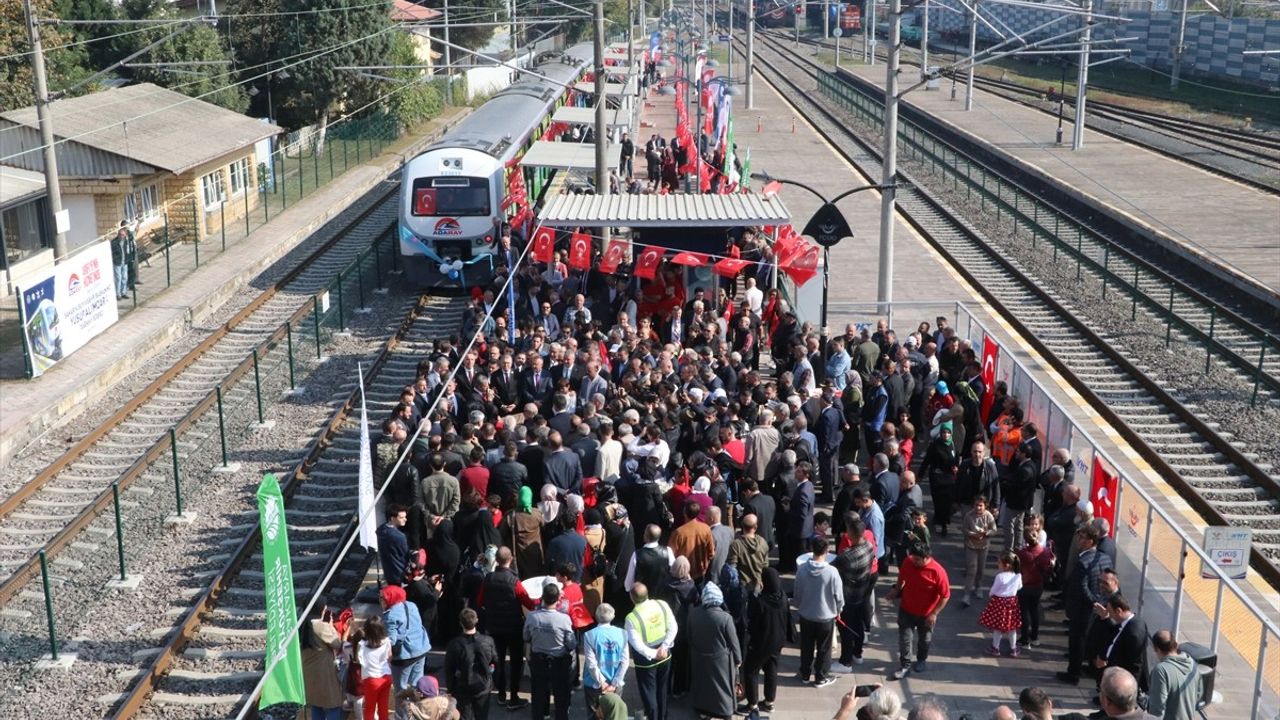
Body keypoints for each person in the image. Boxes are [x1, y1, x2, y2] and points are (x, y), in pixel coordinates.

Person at [1059, 525, 1114, 686]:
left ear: (1091, 541)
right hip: (1100, 607)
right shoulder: (1105, 558)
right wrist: (1102, 601)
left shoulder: (1082, 562)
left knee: (1077, 640)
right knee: (1092, 640)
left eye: (1082, 537)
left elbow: (1081, 587)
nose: (1079, 540)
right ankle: (1090, 668)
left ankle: (1073, 673)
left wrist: (1093, 601)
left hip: (1083, 608)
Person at [477, 547, 531, 709]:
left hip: (494, 627)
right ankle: (513, 696)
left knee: (498, 660)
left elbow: (480, 601)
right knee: (515, 663)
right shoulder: (515, 581)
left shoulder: (488, 579)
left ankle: (500, 694)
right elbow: (527, 601)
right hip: (513, 627)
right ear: (511, 559)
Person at [890, 541, 950, 680]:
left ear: (926, 557)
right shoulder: (908, 562)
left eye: (917, 559)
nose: (914, 562)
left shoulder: (937, 572)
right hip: (906, 609)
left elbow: (945, 596)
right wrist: (896, 590)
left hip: (926, 615)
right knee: (905, 639)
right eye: (913, 558)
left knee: (924, 639)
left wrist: (934, 613)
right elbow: (901, 577)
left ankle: (921, 659)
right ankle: (905, 665)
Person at [793, 536, 843, 688]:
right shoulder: (832, 572)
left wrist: (800, 605)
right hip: (826, 616)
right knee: (824, 649)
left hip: (806, 614)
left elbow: (797, 593)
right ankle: (821, 677)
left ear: (812, 550)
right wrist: (839, 610)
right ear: (827, 551)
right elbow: (839, 596)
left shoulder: (802, 570)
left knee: (806, 646)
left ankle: (805, 673)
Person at [688, 583, 742, 719]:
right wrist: (738, 660)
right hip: (721, 660)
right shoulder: (725, 618)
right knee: (723, 687)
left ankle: (702, 708)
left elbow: (689, 636)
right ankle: (725, 710)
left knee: (703, 685)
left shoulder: (693, 614)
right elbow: (733, 642)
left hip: (699, 657)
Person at [741, 567, 790, 715]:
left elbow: (753, 622)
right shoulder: (783, 598)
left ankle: (752, 704)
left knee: (751, 670)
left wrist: (755, 595)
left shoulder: (761, 602)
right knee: (771, 669)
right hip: (778, 641)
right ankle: (769, 702)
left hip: (762, 643)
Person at [625, 582, 678, 720]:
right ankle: (663, 717)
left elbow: (637, 644)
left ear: (632, 598)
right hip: (665, 655)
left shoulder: (631, 618)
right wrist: (664, 647)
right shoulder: (662, 604)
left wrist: (654, 654)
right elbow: (673, 627)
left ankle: (653, 717)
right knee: (662, 689)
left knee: (649, 692)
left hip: (646, 661)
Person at [524, 581, 576, 720]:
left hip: (538, 662)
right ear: (558, 598)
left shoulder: (532, 616)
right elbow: (571, 644)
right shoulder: (564, 619)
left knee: (538, 698)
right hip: (559, 663)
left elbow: (526, 636)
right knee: (561, 699)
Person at [831, 517, 874, 672]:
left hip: (847, 597)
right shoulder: (869, 546)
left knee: (846, 629)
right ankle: (858, 654)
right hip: (861, 594)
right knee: (858, 625)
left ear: (852, 535)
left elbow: (830, 568)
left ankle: (845, 661)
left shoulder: (846, 556)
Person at [444, 608, 498, 720]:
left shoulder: (454, 644)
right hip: (483, 686)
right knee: (482, 715)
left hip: (462, 687)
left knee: (464, 716)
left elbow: (449, 669)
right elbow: (495, 660)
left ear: (460, 623)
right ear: (477, 620)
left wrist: (450, 689)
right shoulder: (488, 641)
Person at [383, 585, 432, 693]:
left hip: (404, 655)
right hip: (421, 648)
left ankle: (402, 710)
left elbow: (392, 640)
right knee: (417, 685)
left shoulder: (390, 615)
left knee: (401, 689)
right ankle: (416, 708)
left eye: (382, 598)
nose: (380, 600)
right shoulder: (411, 605)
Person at [581, 603, 629, 711]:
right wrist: (614, 683)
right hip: (615, 683)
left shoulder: (589, 635)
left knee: (594, 715)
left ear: (596, 616)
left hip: (594, 683)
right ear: (613, 616)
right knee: (613, 714)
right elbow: (625, 662)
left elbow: (591, 664)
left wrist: (602, 682)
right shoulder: (623, 634)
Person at [978, 551, 1023, 657]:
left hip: (999, 603)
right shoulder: (1018, 575)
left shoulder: (1000, 576)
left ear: (1006, 565)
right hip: (1012, 603)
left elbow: (994, 590)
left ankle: (995, 648)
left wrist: (991, 594)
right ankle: (1013, 649)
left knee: (997, 628)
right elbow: (1020, 587)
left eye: (999, 562)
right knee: (1012, 628)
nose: (997, 564)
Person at [1147, 630, 1199, 720]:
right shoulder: (1192, 663)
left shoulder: (1161, 670)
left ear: (1156, 649)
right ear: (1176, 645)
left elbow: (1156, 710)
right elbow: (1199, 694)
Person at [301, 615, 345, 720]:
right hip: (324, 671)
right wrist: (331, 627)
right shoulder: (320, 626)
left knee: (316, 704)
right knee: (334, 705)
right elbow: (337, 644)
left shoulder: (303, 624)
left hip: (308, 670)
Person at [960, 495, 997, 608]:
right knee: (972, 570)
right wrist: (973, 535)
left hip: (984, 547)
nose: (978, 508)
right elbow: (964, 529)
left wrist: (986, 534)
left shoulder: (989, 516)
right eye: (976, 505)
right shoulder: (968, 516)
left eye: (980, 505)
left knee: (981, 569)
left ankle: (978, 587)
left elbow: (994, 530)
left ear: (985, 506)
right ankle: (966, 594)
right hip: (971, 546)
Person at [357, 616, 395, 720]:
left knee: (369, 709)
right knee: (383, 708)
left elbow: (359, 660)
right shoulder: (387, 641)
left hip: (371, 680)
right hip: (386, 677)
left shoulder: (362, 645)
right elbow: (390, 657)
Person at [726, 512, 770, 593]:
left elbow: (732, 568)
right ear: (756, 527)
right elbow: (765, 565)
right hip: (759, 585)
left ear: (742, 526)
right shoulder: (763, 542)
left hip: (743, 586)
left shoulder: (736, 545)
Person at [379, 506, 411, 586]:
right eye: (401, 517)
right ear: (392, 518)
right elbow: (405, 555)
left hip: (388, 572)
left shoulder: (381, 530)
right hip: (400, 574)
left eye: (405, 517)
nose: (405, 519)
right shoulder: (400, 537)